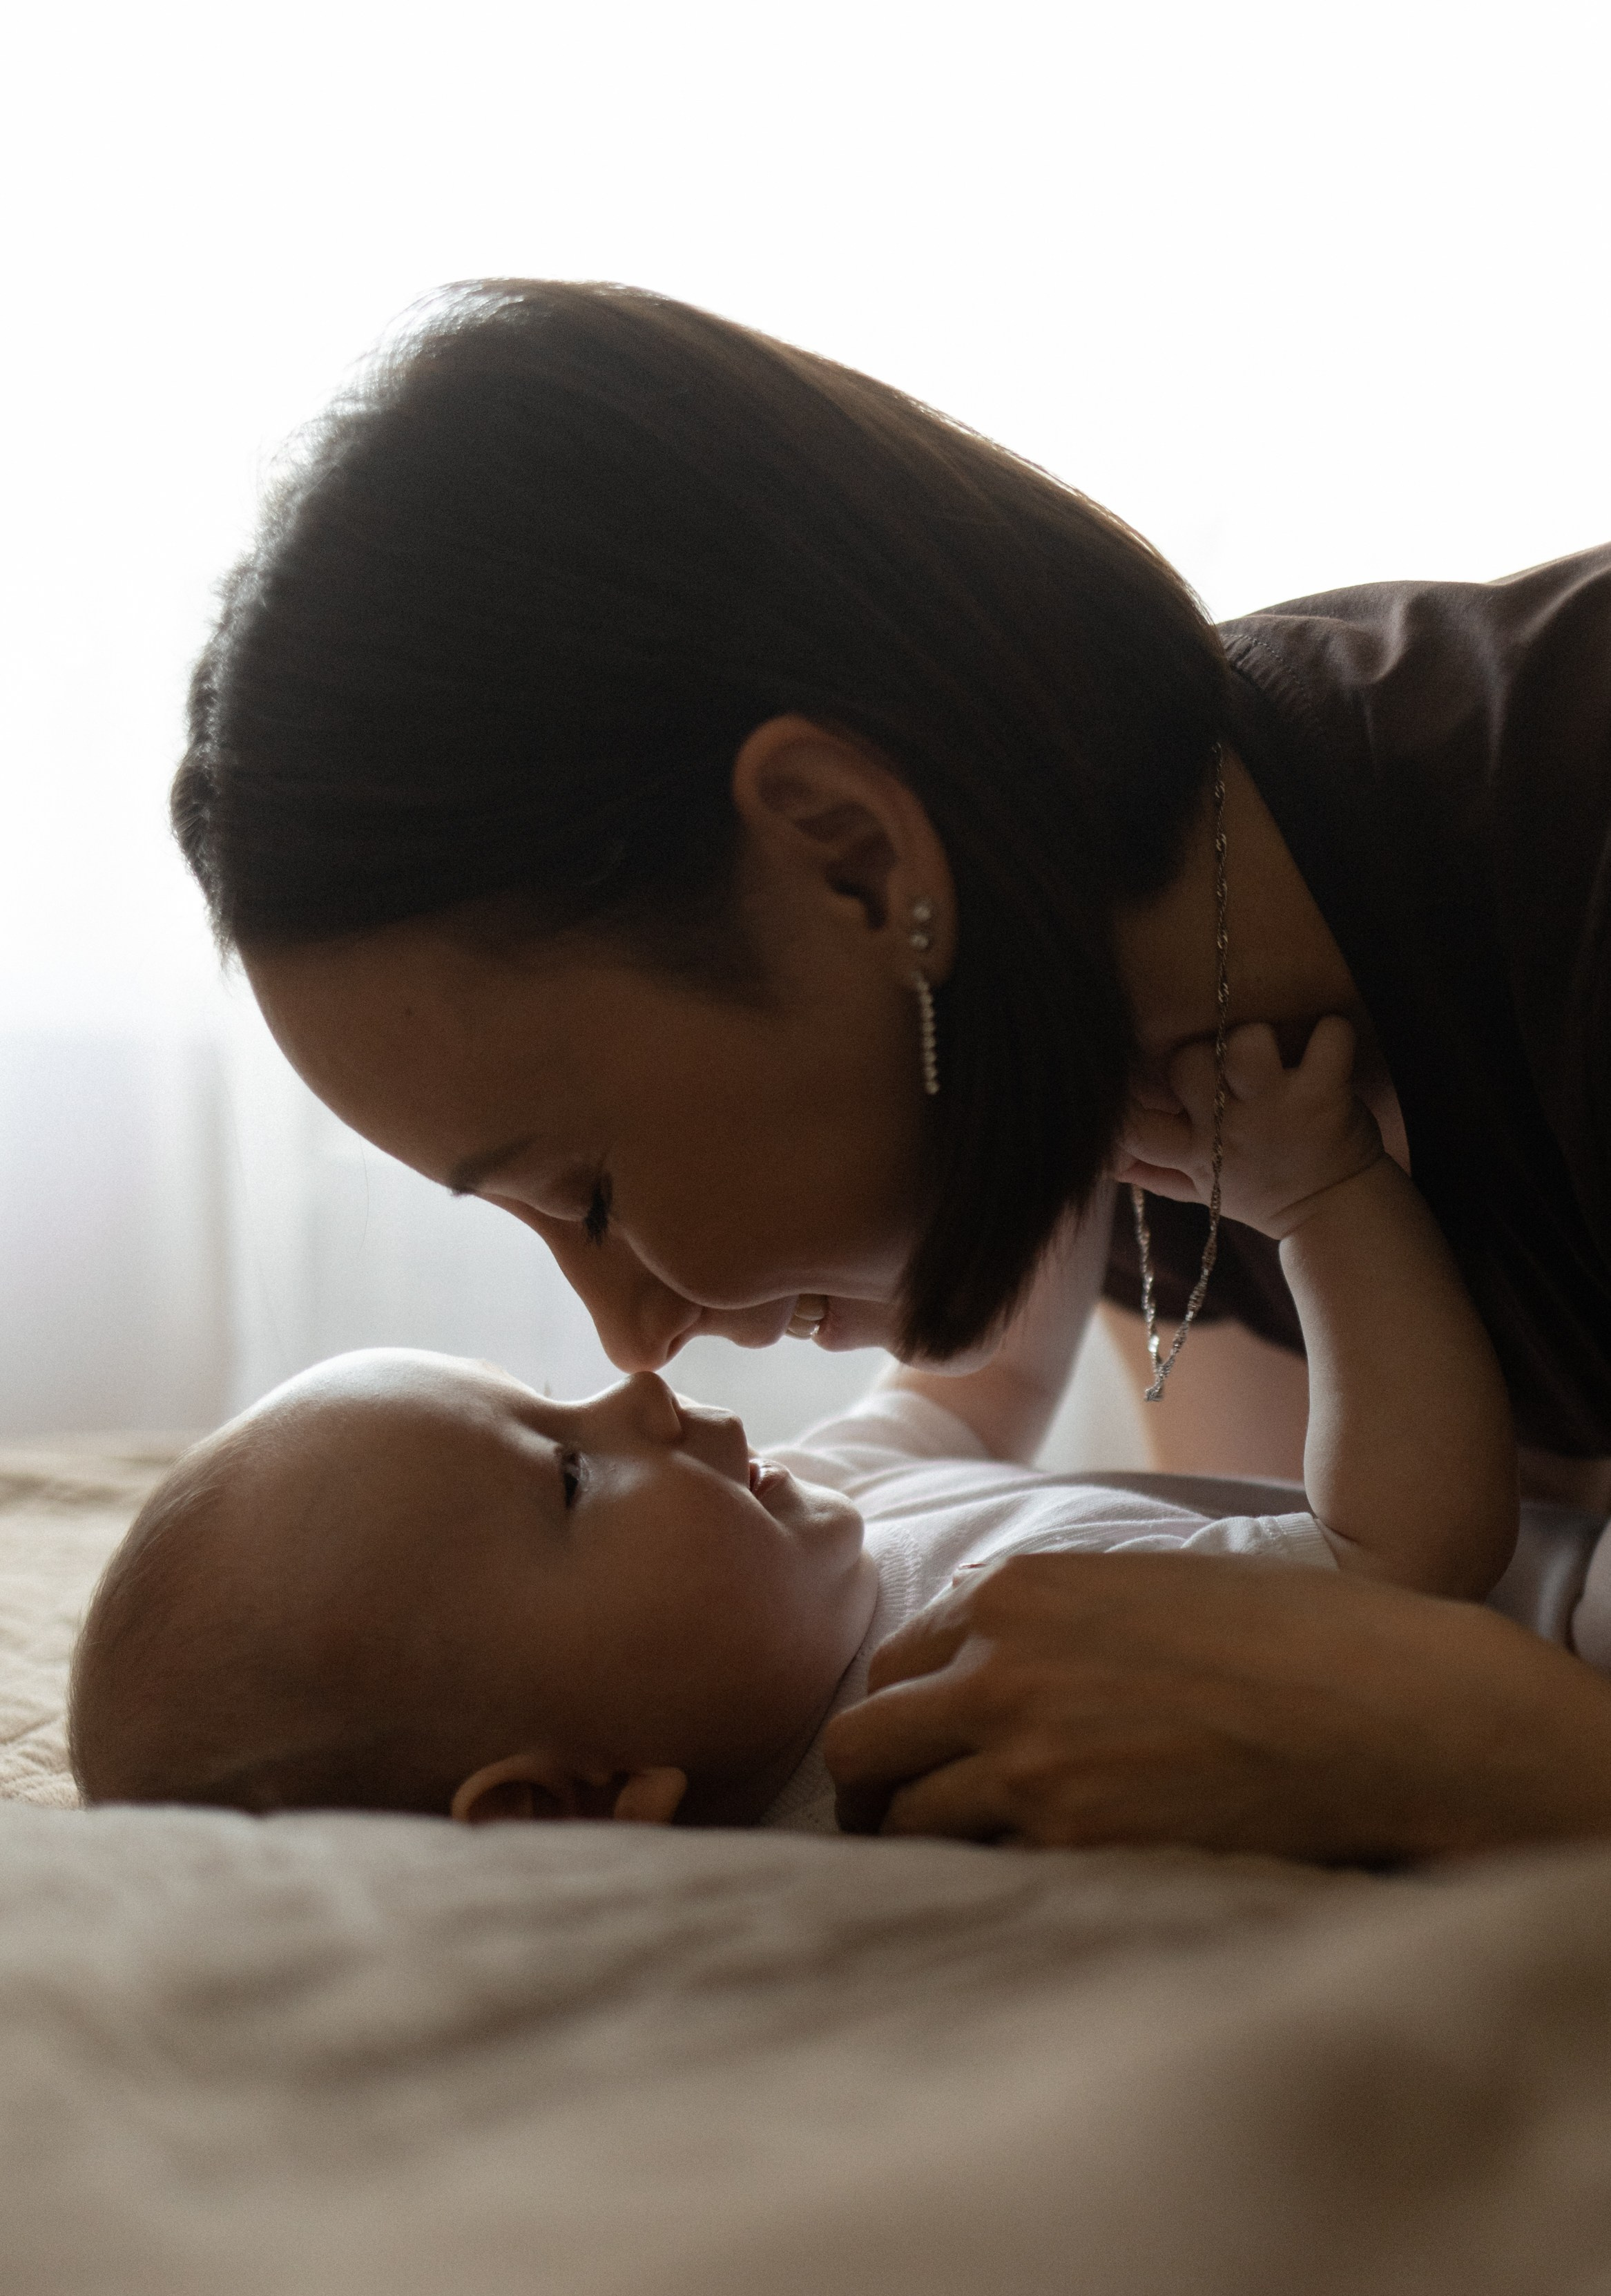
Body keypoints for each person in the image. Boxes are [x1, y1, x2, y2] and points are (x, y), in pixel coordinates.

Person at [166, 278, 1611, 1859]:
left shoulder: (1552, 854)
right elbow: (1300, 1586)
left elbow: (1393, 1652)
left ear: (852, 861)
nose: (635, 1336)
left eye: (584, 1190)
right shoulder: (1130, 1097)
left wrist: (1452, 1748)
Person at [71, 1024, 1521, 1836]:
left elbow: (980, 1384)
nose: (637, 1390)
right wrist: (1324, 1200)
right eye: (567, 1473)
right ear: (560, 1806)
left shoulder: (821, 1506)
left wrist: (1042, 1116)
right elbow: (1415, 1557)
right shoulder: (940, 1753)